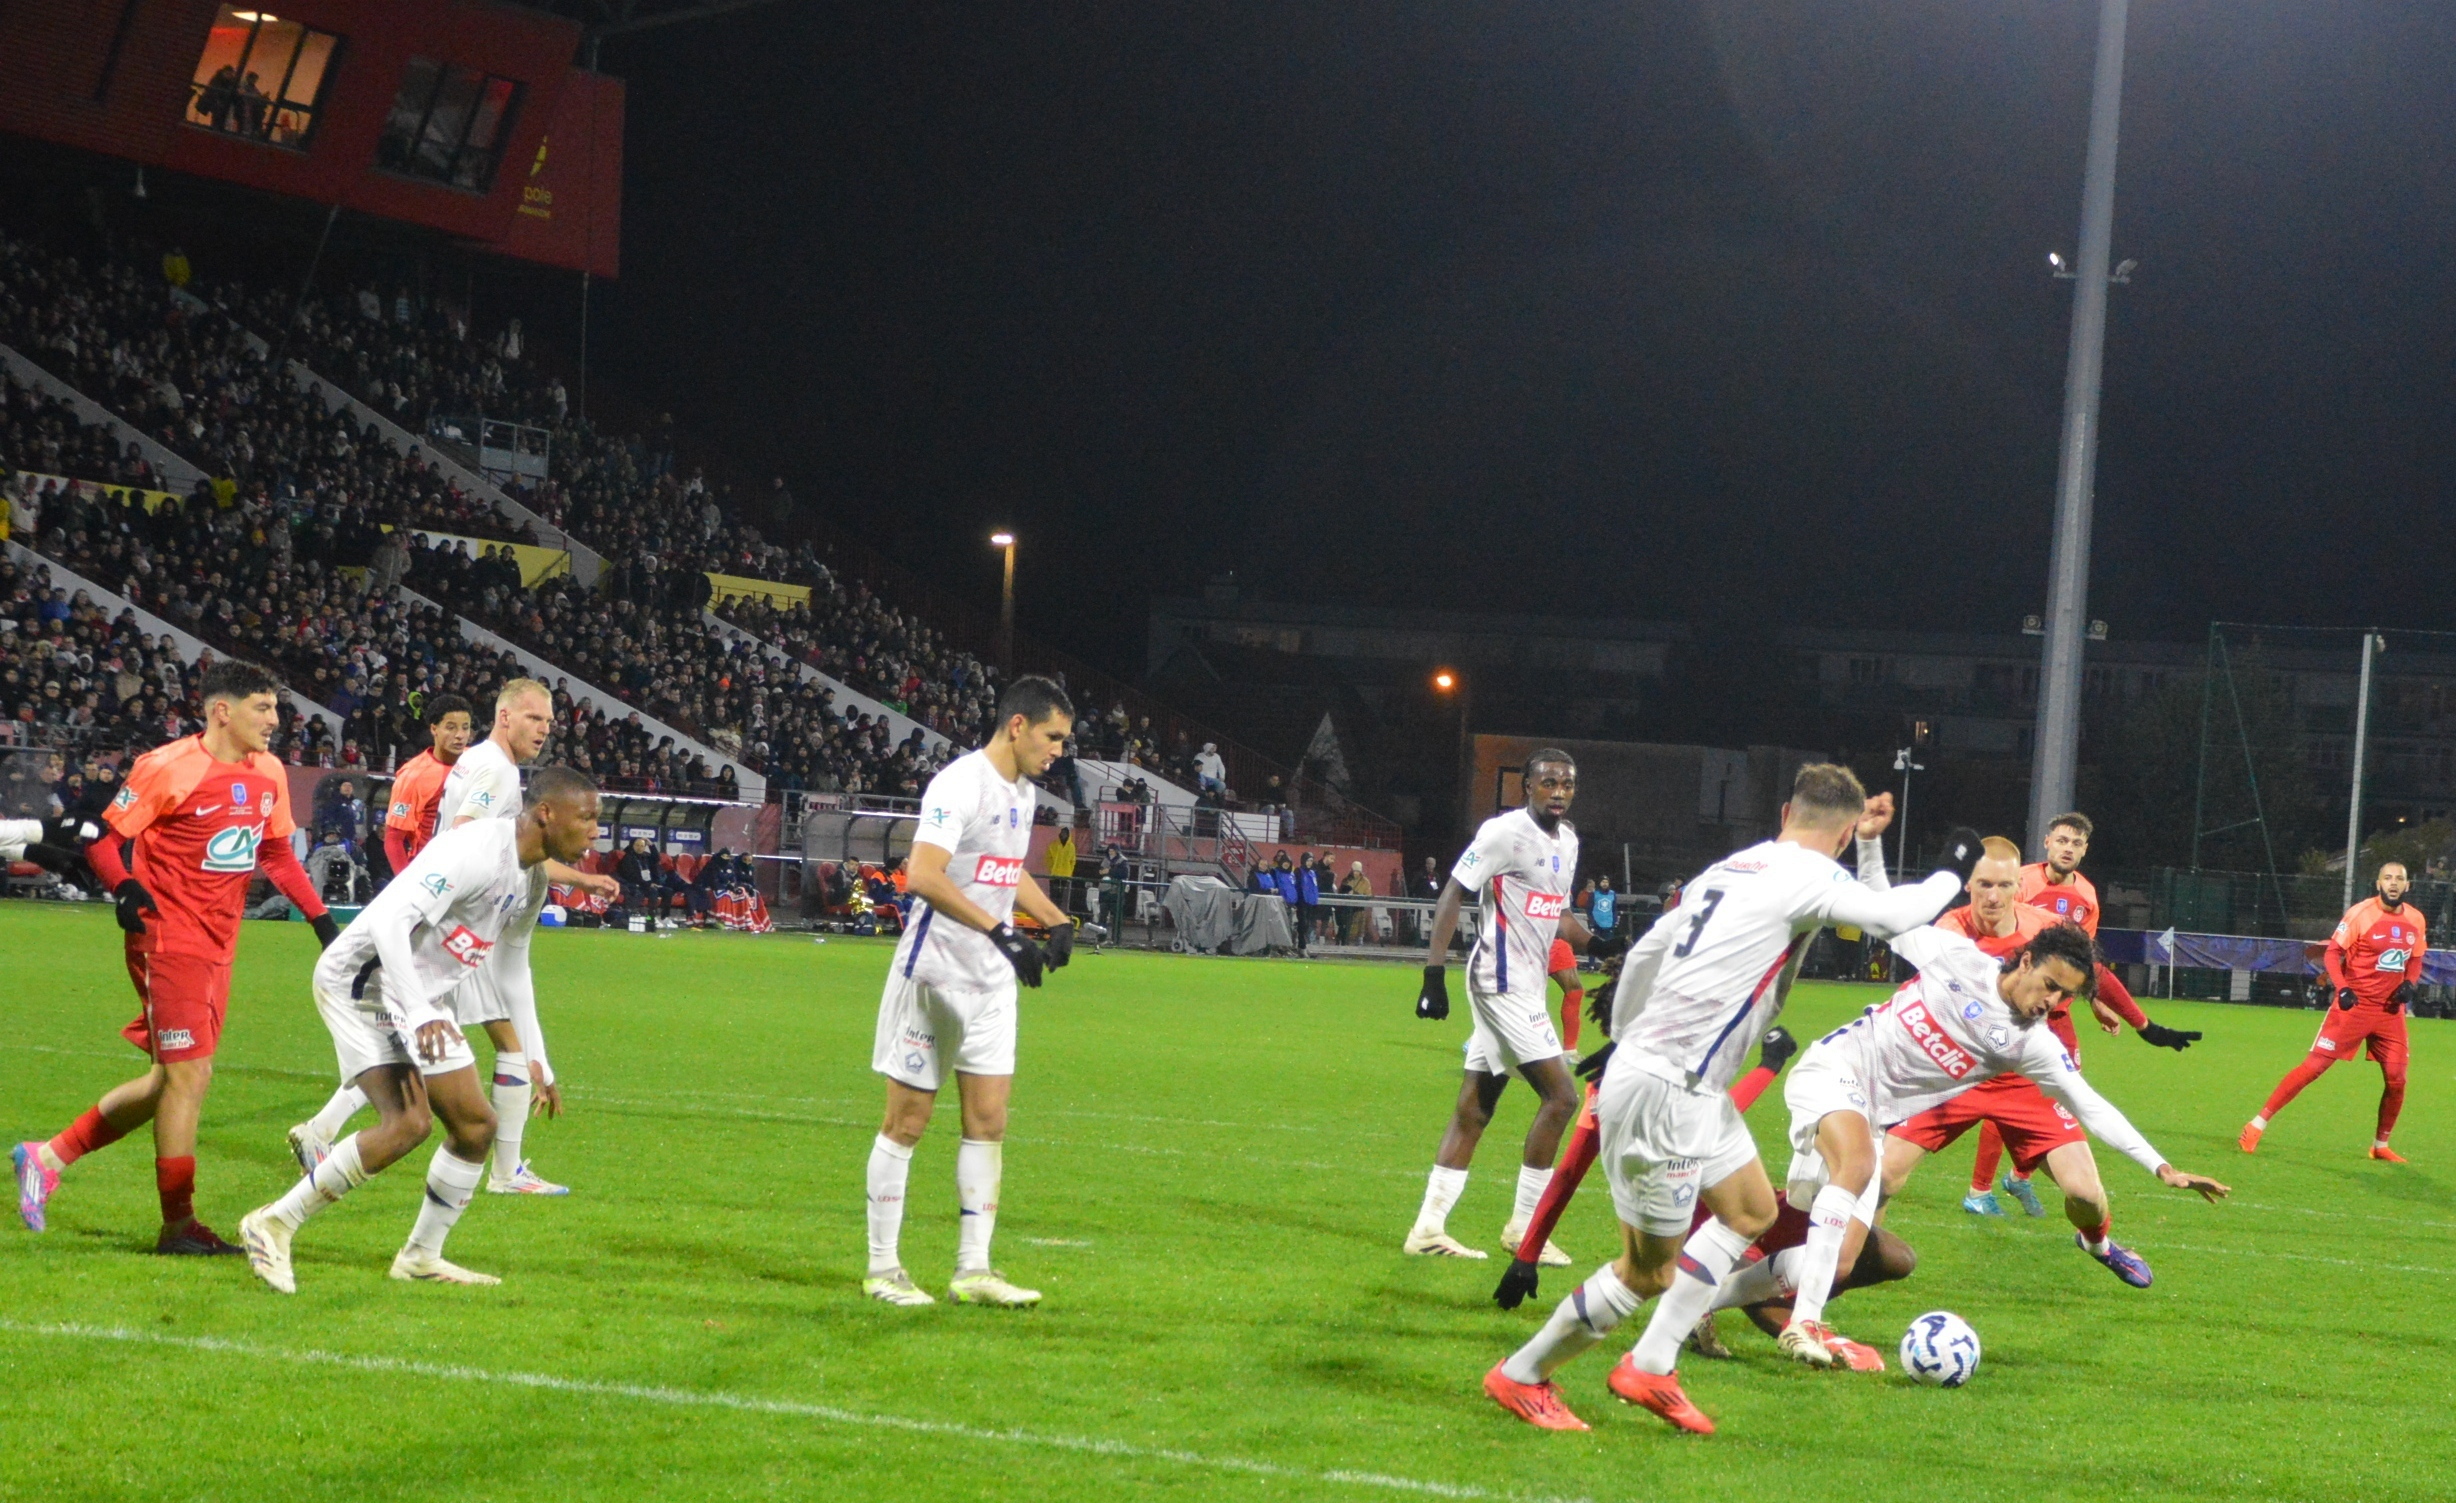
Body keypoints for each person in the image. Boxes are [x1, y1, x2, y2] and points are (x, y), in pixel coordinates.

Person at [1481, 763, 1975, 1435]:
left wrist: (1622, 1036)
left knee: (1751, 1210)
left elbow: (1648, 951)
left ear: (1785, 814)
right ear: (1841, 836)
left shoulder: (1731, 868)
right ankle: (1523, 1373)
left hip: (1688, 1084)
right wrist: (1953, 864)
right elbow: (1892, 916)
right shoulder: (1812, 874)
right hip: (1669, 1088)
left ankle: (1653, 1364)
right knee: (1645, 1272)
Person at [1759, 921, 2229, 1396]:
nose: (2051, 1001)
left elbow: (2091, 1105)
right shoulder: (1956, 957)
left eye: (2063, 995)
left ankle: (1719, 1291)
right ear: (2025, 960)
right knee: (1863, 1172)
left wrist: (2161, 1167)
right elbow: (1888, 920)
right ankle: (1804, 1320)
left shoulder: (2033, 1041)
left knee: (1843, 1261)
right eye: (2049, 984)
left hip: (1889, 1111)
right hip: (1836, 1069)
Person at [13, 661, 339, 1250]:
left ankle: (47, 1156)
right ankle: (179, 1224)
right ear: (223, 711)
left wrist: (321, 921)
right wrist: (124, 889)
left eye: (275, 707)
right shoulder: (167, 766)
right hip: (166, 938)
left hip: (220, 942)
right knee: (190, 1076)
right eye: (263, 708)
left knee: (170, 1078)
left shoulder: (268, 771)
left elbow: (276, 854)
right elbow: (106, 839)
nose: (276, 719)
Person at [237, 769, 603, 1293]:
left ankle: (421, 1257)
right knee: (408, 1123)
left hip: (420, 998)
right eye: (587, 817)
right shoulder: (476, 849)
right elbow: (389, 921)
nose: (595, 831)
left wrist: (536, 1059)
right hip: (364, 982)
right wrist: (418, 1009)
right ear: (546, 813)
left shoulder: (531, 880)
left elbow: (511, 971)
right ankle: (274, 1222)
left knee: (476, 1127)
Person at [288, 680, 615, 1196]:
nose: (544, 730)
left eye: (549, 722)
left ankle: (322, 1130)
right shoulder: (497, 770)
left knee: (418, 1044)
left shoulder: (481, 761)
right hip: (462, 914)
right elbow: (471, 837)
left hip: (458, 912)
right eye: (534, 718)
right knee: (502, 1043)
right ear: (505, 716)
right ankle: (506, 1172)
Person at [1882, 837, 2203, 1287]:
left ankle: (2098, 1245)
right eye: (1983, 884)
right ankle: (1845, 1260)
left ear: (2020, 885)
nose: (1993, 897)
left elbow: (2091, 974)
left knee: (2086, 1195)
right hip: (1956, 1072)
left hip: (2024, 1077)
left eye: (2004, 886)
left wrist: (2137, 1022)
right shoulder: (1949, 933)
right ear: (1967, 885)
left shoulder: (2047, 931)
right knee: (1881, 1177)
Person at [864, 676, 1078, 1309]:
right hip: (935, 976)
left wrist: (1056, 920)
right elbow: (922, 875)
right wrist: (1001, 933)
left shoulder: (1024, 793)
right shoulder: (959, 784)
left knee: (988, 1122)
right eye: (1053, 736)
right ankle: (883, 1269)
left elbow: (1003, 874)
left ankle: (974, 1270)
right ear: (1018, 725)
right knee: (907, 1122)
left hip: (991, 983)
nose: (1059, 750)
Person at [1405, 750, 1589, 1262]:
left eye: (1567, 784)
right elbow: (1453, 893)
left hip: (1527, 984)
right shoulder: (1503, 834)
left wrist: (1607, 943)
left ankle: (1427, 1228)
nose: (1558, 791)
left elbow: (1559, 915)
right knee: (1561, 1098)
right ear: (1526, 786)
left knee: (1476, 1106)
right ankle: (1526, 1229)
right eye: (1548, 782)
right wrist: (1433, 974)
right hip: (1499, 981)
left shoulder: (1568, 841)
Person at [2241, 861, 2425, 1161]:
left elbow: (2416, 958)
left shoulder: (2416, 919)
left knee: (2397, 1078)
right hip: (2354, 1007)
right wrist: (2343, 988)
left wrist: (2410, 983)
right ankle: (2256, 1125)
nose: (2393, 883)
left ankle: (2380, 1146)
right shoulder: (2360, 914)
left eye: (2399, 879)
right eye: (2388, 878)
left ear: (2408, 885)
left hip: (2390, 1012)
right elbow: (2332, 952)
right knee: (2314, 1067)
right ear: (2378, 884)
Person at [1972, 809, 2105, 1209]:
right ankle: (1979, 1190)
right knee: (2006, 1092)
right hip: (2012, 1007)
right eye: (2061, 840)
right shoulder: (2021, 882)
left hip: (2055, 1012)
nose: (2068, 849)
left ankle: (2018, 1177)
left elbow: (2082, 962)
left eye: (2076, 843)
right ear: (2047, 843)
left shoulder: (2087, 897)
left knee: (2063, 1088)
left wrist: (2095, 1002)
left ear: (2085, 850)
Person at [378, 694, 474, 876]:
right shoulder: (413, 775)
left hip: (471, 872)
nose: (460, 735)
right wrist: (407, 884)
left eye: (465, 727)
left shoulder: (479, 761)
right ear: (434, 728)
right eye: (451, 727)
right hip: (430, 872)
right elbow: (393, 839)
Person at [1044, 823, 1077, 913]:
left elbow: (1073, 861)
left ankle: (1059, 912)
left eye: (1065, 833)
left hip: (1065, 875)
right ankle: (1052, 911)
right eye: (1062, 833)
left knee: (1062, 896)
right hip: (1054, 874)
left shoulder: (1071, 847)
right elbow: (1048, 858)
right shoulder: (1053, 845)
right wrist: (1051, 868)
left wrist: (1069, 872)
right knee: (1053, 894)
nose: (1063, 835)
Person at [1590, 875, 1619, 946]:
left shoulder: (1612, 894)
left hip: (1609, 925)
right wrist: (1593, 922)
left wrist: (1614, 922)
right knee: (1595, 946)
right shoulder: (1594, 894)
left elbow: (1614, 909)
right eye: (1603, 882)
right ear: (1599, 883)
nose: (1605, 884)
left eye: (1606, 882)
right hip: (1597, 925)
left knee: (1608, 946)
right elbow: (1589, 909)